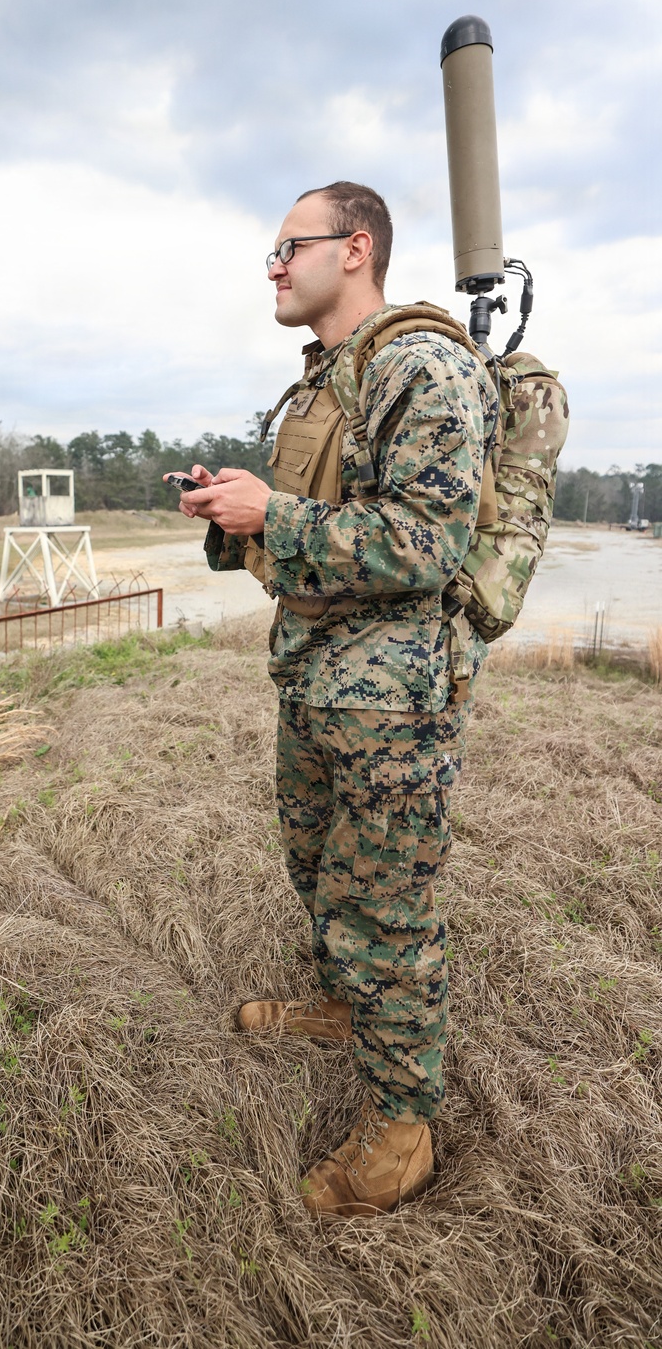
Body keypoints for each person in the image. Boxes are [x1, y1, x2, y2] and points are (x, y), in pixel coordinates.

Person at [167, 181, 497, 1219]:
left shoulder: (422, 366)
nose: (272, 264)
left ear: (355, 249)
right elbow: (310, 529)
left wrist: (281, 510)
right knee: (318, 865)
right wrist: (238, 512)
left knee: (386, 909)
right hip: (317, 677)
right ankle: (344, 1005)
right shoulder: (324, 381)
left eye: (288, 246)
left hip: (391, 700)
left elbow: (428, 542)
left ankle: (400, 1132)